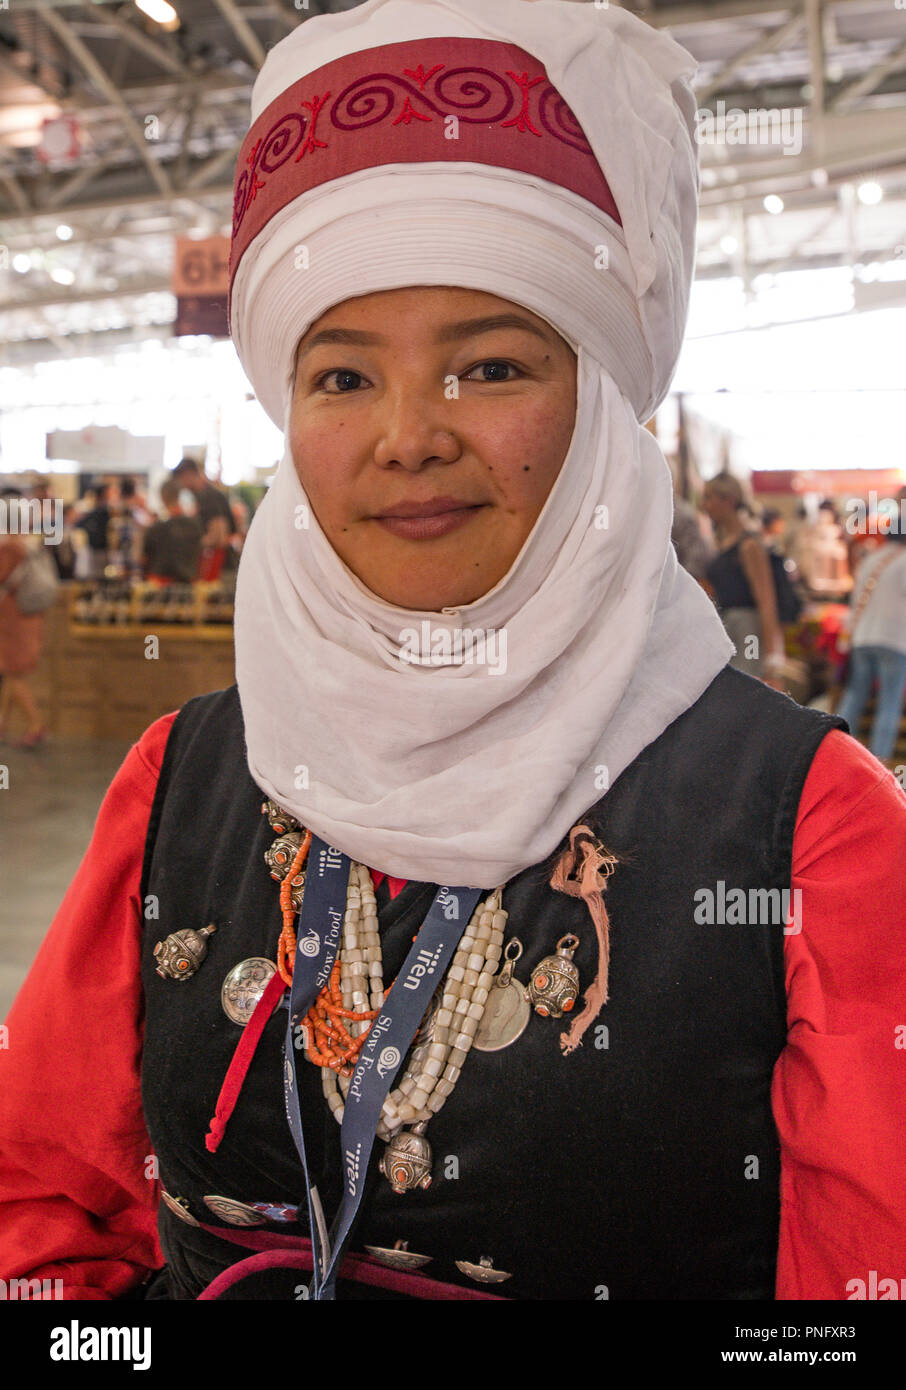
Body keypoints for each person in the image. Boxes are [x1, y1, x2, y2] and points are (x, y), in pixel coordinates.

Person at [0, 0, 904, 1303]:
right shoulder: (182, 776)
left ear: (597, 410)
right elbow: (41, 1199)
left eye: (486, 366)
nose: (407, 436)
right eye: (344, 377)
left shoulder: (799, 820)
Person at [836, 492, 906, 763]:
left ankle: (839, 755)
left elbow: (855, 599)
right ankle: (879, 763)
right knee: (889, 702)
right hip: (893, 639)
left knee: (854, 696)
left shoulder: (871, 559)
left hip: (862, 637)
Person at [702, 472, 787, 688]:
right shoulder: (722, 544)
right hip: (728, 625)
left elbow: (766, 599)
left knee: (748, 684)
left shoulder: (749, 545)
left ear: (728, 500)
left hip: (748, 629)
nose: (706, 505)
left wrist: (773, 653)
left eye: (710, 498)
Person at [0, 489, 48, 748]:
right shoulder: (29, 543)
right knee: (9, 672)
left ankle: (35, 724)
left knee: (12, 673)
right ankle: (3, 725)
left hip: (13, 618)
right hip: (29, 614)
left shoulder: (9, 547)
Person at [142, 478, 203, 585]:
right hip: (189, 584)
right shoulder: (195, 526)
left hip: (159, 584)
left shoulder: (157, 528)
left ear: (163, 497)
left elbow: (145, 558)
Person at [171, 459, 234, 549]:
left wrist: (189, 545)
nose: (182, 486)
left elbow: (219, 537)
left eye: (180, 480)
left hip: (219, 560)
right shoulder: (202, 496)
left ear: (187, 475)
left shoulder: (209, 497)